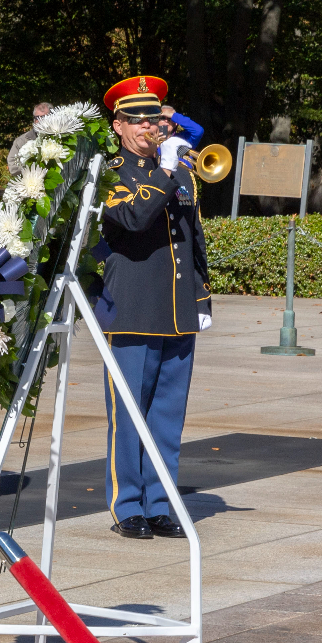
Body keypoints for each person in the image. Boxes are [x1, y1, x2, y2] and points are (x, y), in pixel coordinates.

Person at [97, 74, 212, 541]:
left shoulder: (181, 170)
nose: (149, 127)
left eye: (154, 119)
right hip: (131, 305)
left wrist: (201, 296)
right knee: (130, 413)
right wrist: (164, 172)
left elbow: (192, 238)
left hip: (176, 306)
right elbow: (133, 218)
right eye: (138, 120)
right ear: (119, 125)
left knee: (167, 412)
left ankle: (161, 500)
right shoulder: (107, 171)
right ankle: (128, 504)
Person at [7, 102, 51, 180]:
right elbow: (12, 166)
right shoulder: (21, 141)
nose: (39, 120)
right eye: (36, 118)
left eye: (43, 117)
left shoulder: (61, 138)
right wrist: (32, 169)